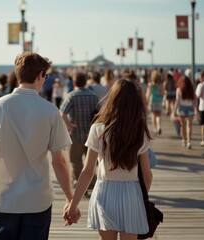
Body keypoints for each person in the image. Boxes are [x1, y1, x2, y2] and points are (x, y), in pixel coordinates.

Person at [0, 52, 78, 240]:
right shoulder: (50, 111)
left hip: (4, 198)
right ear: (39, 76)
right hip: (37, 199)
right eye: (45, 76)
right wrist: (70, 200)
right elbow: (59, 162)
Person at [64, 79, 153, 240]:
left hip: (105, 192)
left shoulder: (98, 129)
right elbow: (147, 175)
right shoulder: (140, 131)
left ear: (112, 98)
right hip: (132, 193)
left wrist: (73, 205)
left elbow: (87, 171)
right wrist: (142, 197)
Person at [60, 72, 99, 188]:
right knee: (90, 162)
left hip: (76, 134)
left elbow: (62, 114)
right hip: (91, 134)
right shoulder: (93, 96)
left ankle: (78, 182)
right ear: (86, 81)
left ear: (74, 82)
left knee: (75, 161)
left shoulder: (71, 96)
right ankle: (90, 182)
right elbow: (100, 114)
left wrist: (69, 126)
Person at [172, 75, 198, 149]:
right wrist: (196, 111)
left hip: (181, 109)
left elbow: (177, 101)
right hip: (190, 108)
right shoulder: (191, 90)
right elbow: (194, 101)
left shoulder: (178, 89)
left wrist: (173, 111)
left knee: (182, 125)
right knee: (189, 126)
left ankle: (184, 139)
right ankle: (189, 142)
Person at [146, 70, 164, 134]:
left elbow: (148, 94)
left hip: (152, 101)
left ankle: (155, 128)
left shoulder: (150, 85)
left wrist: (147, 102)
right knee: (158, 115)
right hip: (159, 101)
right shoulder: (160, 85)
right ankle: (159, 126)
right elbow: (162, 93)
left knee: (153, 115)